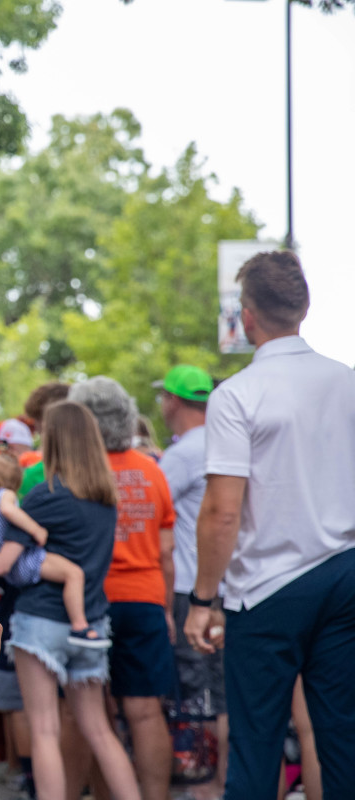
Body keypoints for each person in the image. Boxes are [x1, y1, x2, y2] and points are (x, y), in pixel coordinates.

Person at [184, 251, 355, 799]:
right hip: (345, 574)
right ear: (304, 308)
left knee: (256, 743)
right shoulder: (347, 382)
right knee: (343, 738)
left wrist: (202, 598)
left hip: (268, 586)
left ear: (247, 316)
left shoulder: (237, 395)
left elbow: (222, 510)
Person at [7, 400, 141, 800]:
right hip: (92, 622)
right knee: (100, 729)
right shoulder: (106, 500)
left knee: (44, 729)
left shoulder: (44, 497)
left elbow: (7, 563)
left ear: (53, 440)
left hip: (41, 621)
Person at [67, 376, 175, 800]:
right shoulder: (152, 471)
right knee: (146, 712)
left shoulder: (76, 474)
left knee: (90, 714)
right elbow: (167, 553)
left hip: (91, 602)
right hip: (145, 599)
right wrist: (165, 608)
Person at [153, 364, 228, 800]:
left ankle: (201, 784)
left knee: (193, 691)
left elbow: (153, 521)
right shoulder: (225, 442)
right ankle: (221, 782)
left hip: (188, 588)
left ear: (174, 402)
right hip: (225, 585)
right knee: (222, 691)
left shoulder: (181, 455)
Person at [0, 453, 107, 647]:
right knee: (74, 574)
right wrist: (36, 530)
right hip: (27, 559)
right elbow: (8, 511)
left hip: (11, 573)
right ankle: (80, 626)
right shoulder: (3, 495)